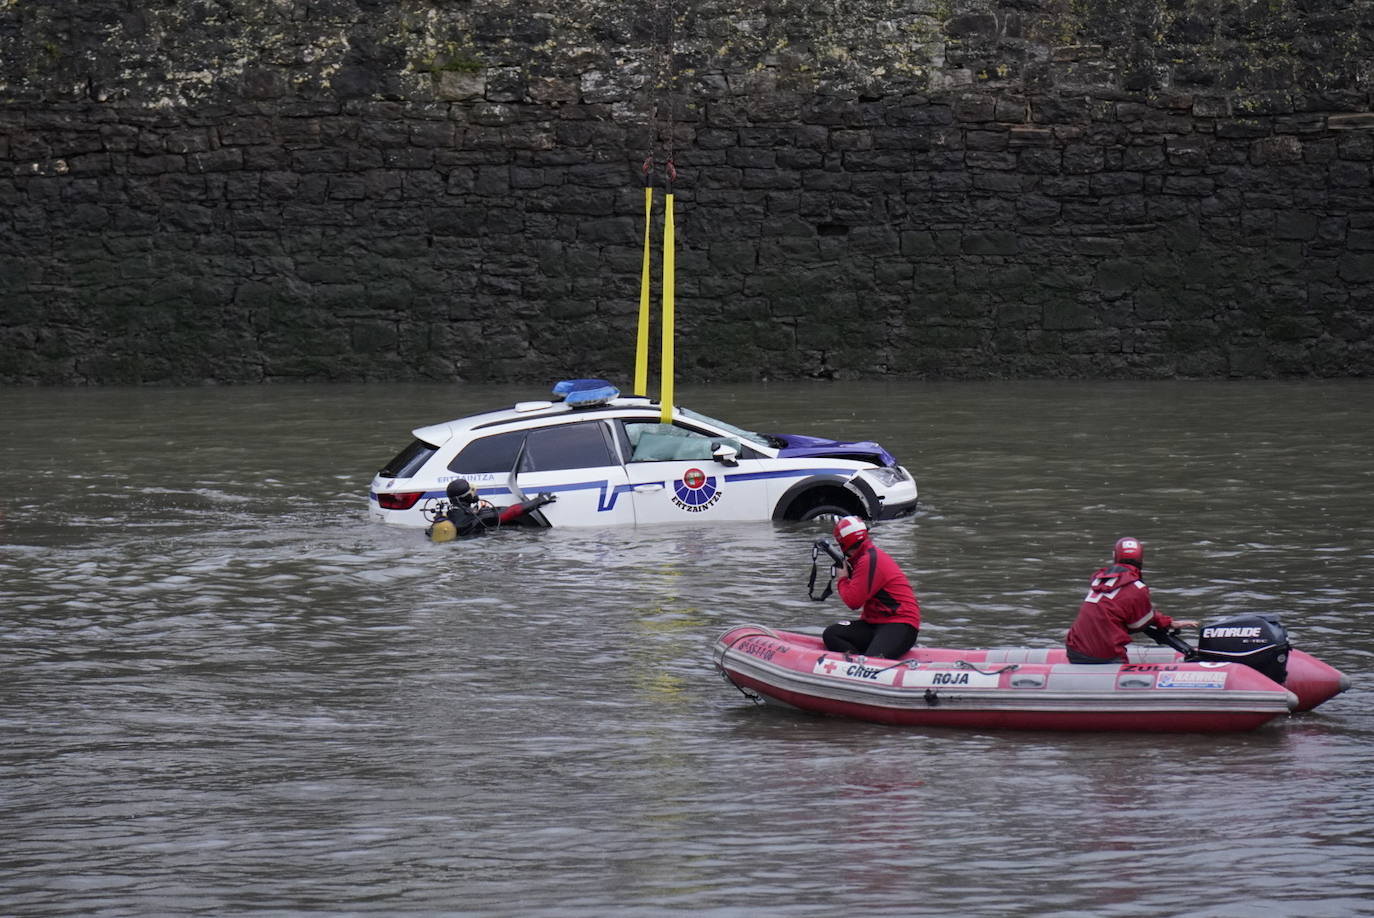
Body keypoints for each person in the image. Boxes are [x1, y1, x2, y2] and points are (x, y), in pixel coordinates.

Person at [1065, 536, 1198, 663]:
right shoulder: (1136, 587)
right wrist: (1167, 623)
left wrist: (1164, 622)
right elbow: (1139, 623)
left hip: (1074, 649)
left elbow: (1120, 610)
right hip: (1104, 655)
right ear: (1140, 558)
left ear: (1115, 556)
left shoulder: (1100, 581)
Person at [821, 516, 922, 659]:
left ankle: (866, 667)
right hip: (875, 623)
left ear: (844, 544)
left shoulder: (869, 560)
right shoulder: (864, 558)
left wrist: (842, 578)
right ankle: (855, 664)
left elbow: (853, 601)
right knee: (832, 634)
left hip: (900, 623)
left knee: (873, 661)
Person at [427, 478, 556, 542]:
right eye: (471, 492)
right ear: (466, 497)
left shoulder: (449, 513)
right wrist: (540, 500)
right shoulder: (477, 518)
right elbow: (510, 512)